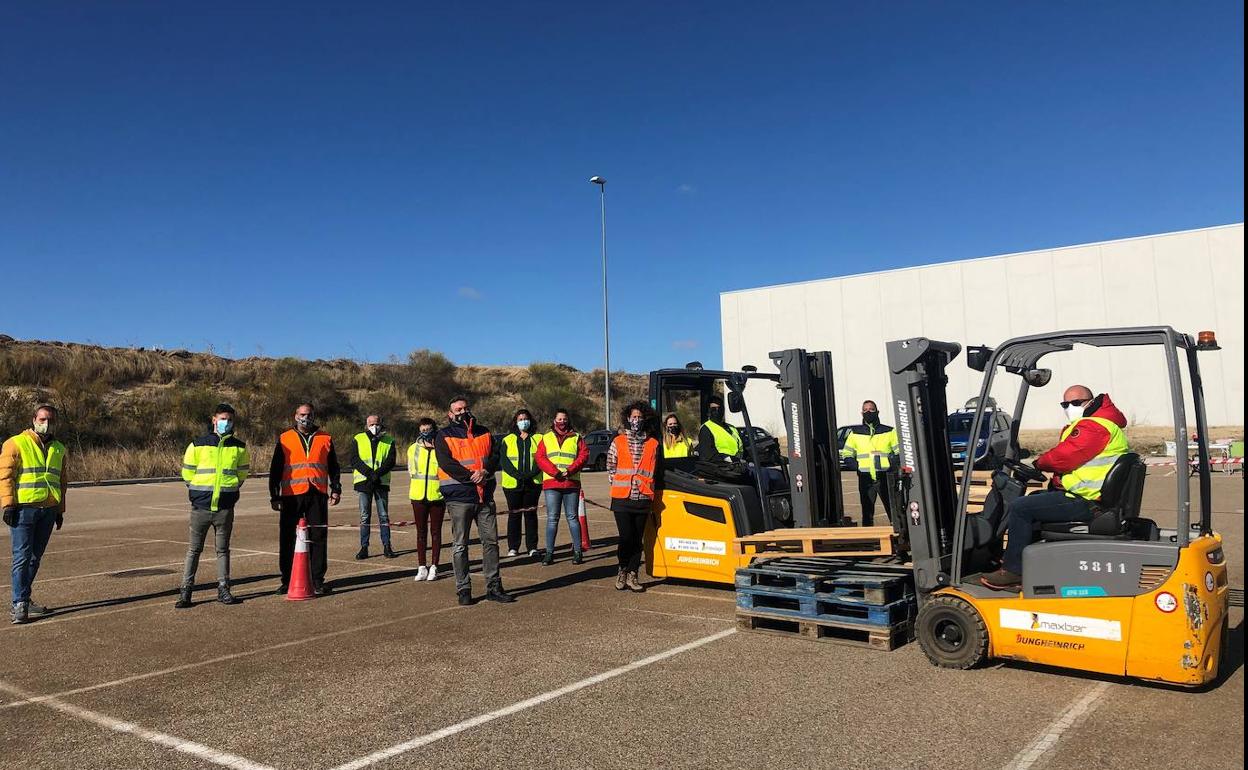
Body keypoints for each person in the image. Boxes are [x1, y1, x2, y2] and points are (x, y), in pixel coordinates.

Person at [982, 386, 1129, 591]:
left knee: (1020, 507)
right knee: (1035, 500)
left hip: (1086, 500)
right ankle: (1026, 562)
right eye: (1065, 404)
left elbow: (1065, 456)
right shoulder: (1104, 424)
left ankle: (1014, 572)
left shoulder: (1094, 426)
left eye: (1076, 403)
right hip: (1089, 496)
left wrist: (1039, 463)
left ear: (1091, 401)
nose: (1070, 407)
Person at [434, 395, 514, 606]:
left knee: (491, 542)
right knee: (460, 545)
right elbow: (446, 462)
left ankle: (494, 586)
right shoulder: (443, 435)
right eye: (458, 410)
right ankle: (463, 588)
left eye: (465, 408)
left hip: (484, 496)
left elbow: (496, 455)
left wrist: (486, 470)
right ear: (450, 414)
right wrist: (470, 476)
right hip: (459, 496)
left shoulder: (484, 432)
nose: (462, 412)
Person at [176, 403, 250, 609]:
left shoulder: (239, 447)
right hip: (201, 507)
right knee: (194, 550)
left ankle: (224, 588)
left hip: (225, 508)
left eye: (230, 419)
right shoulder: (197, 444)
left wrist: (231, 490)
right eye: (223, 418)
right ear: (214, 420)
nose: (226, 422)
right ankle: (186, 591)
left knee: (223, 550)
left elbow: (242, 473)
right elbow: (188, 473)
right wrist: (198, 492)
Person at [1, 405, 67, 625]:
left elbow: (61, 482)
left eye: (50, 420)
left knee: (35, 558)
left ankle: (25, 599)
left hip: (47, 510)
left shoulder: (59, 448)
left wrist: (59, 510)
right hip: (24, 509)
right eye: (42, 419)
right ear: (33, 419)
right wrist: (8, 505)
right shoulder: (16, 443)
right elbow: (5, 476)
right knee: (21, 557)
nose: (46, 423)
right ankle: (19, 604)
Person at [269, 402, 341, 596]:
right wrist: (274, 495)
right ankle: (287, 579)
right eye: (302, 414)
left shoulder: (325, 437)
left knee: (318, 537)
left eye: (309, 415)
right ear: (295, 416)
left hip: (317, 493)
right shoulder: (285, 438)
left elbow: (333, 466)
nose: (305, 418)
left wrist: (336, 489)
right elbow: (275, 469)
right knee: (287, 537)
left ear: (313, 416)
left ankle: (317, 580)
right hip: (291, 495)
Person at [608, 402, 662, 593]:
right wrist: (618, 482)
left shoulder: (653, 443)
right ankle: (622, 569)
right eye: (633, 417)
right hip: (622, 498)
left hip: (643, 498)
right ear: (628, 419)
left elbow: (656, 470)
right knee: (625, 537)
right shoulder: (618, 441)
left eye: (639, 417)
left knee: (637, 539)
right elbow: (611, 466)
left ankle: (633, 573)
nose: (636, 420)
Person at [536, 408, 589, 566]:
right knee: (552, 519)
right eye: (559, 419)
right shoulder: (546, 438)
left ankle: (578, 551)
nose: (562, 422)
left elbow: (584, 455)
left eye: (564, 419)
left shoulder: (577, 437)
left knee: (572, 518)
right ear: (554, 421)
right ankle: (549, 553)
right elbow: (540, 457)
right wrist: (555, 472)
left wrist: (570, 470)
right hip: (552, 483)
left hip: (571, 483)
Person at [840, 400, 899, 526]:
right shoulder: (855, 433)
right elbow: (846, 454)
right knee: (867, 513)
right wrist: (857, 467)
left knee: (894, 511)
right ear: (861, 413)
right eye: (865, 410)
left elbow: (899, 453)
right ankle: (870, 540)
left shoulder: (889, 431)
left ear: (877, 412)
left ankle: (899, 538)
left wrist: (891, 465)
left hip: (885, 477)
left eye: (871, 409)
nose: (868, 412)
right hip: (865, 478)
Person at [349, 414, 398, 560]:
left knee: (384, 516)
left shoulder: (389, 440)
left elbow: (391, 461)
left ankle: (387, 546)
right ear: (366, 424)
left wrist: (378, 474)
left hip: (381, 483)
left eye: (376, 423)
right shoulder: (358, 438)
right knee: (365, 517)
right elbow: (354, 459)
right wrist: (370, 473)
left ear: (381, 424)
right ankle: (364, 547)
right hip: (364, 483)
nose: (373, 426)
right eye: (370, 423)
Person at [499, 408, 543, 559]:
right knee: (514, 516)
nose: (523, 421)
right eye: (520, 419)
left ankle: (532, 547)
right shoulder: (508, 440)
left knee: (531, 515)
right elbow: (504, 461)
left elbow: (541, 459)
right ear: (515, 422)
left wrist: (531, 474)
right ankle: (513, 547)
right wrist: (518, 475)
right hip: (512, 485)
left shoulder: (538, 439)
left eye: (525, 419)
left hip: (533, 484)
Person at [408, 417, 444, 582]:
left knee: (435, 532)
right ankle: (421, 566)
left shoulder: (441, 448)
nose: (425, 432)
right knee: (420, 533)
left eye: (428, 429)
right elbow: (411, 470)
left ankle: (434, 566)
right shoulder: (412, 449)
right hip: (418, 495)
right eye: (422, 430)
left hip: (437, 495)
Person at [696, 395, 743, 462]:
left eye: (719, 408)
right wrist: (727, 458)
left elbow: (741, 448)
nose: (717, 411)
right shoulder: (706, 428)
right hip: (722, 468)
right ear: (709, 411)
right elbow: (707, 455)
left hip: (739, 465)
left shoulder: (732, 428)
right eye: (713, 409)